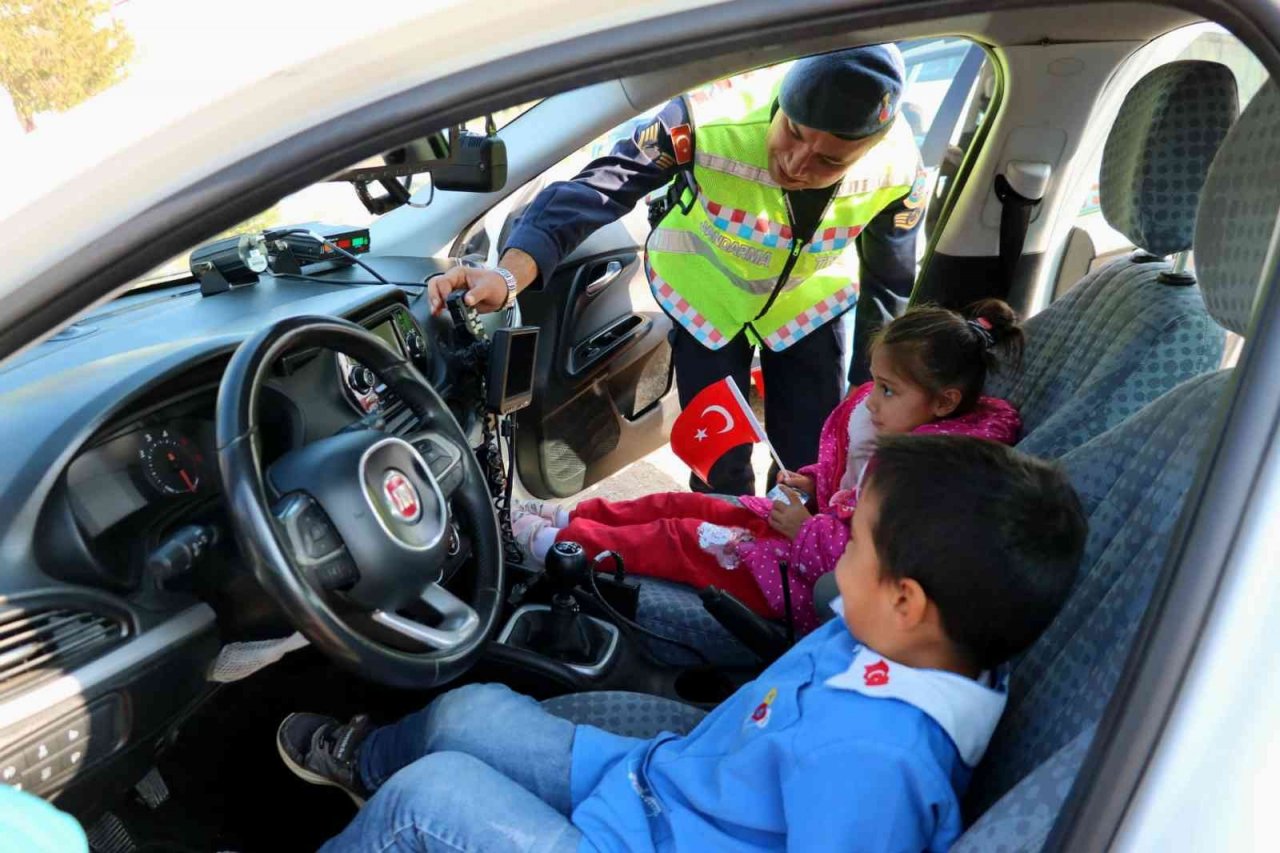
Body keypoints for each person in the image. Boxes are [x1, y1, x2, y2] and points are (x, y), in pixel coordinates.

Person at [279, 435, 1087, 852]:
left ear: (908, 601)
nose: (834, 553)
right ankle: (365, 766)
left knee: (435, 798)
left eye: (854, 546)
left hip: (647, 836)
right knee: (467, 714)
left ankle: (383, 821)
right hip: (657, 784)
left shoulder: (878, 762)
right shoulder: (896, 637)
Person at [427, 45, 926, 495]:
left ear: (868, 149)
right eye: (793, 132)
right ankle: (722, 552)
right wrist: (508, 276)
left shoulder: (899, 168)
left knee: (814, 462)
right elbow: (592, 192)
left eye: (828, 161)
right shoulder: (705, 118)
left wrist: (873, 394)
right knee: (718, 461)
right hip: (706, 302)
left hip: (808, 308)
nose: (797, 163)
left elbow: (890, 285)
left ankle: (791, 562)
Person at [511, 299, 1024, 634]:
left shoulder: (931, 477)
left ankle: (557, 549)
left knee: (680, 537)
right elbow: (848, 488)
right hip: (805, 534)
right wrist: (814, 483)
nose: (871, 401)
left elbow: (870, 561)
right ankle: (575, 521)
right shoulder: (911, 436)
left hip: (798, 578)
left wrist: (805, 528)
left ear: (943, 401)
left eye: (888, 390)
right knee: (690, 502)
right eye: (875, 382)